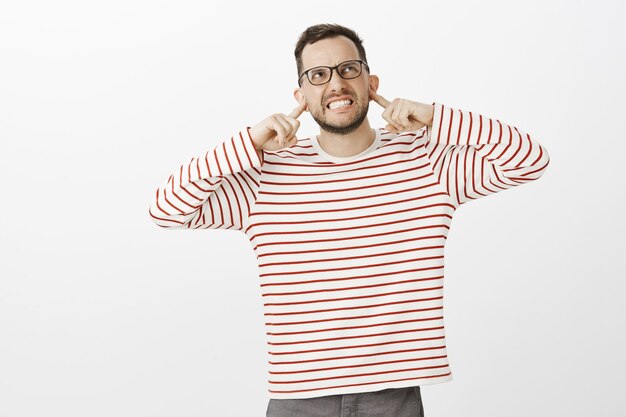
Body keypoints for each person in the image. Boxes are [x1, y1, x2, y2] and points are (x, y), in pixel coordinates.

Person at [149, 23, 550, 417]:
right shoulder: (266, 175)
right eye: (318, 75)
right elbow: (166, 208)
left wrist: (432, 116)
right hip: (298, 398)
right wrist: (248, 142)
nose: (335, 84)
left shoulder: (425, 162)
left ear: (370, 82)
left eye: (348, 69)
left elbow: (529, 159)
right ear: (301, 94)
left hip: (394, 396)